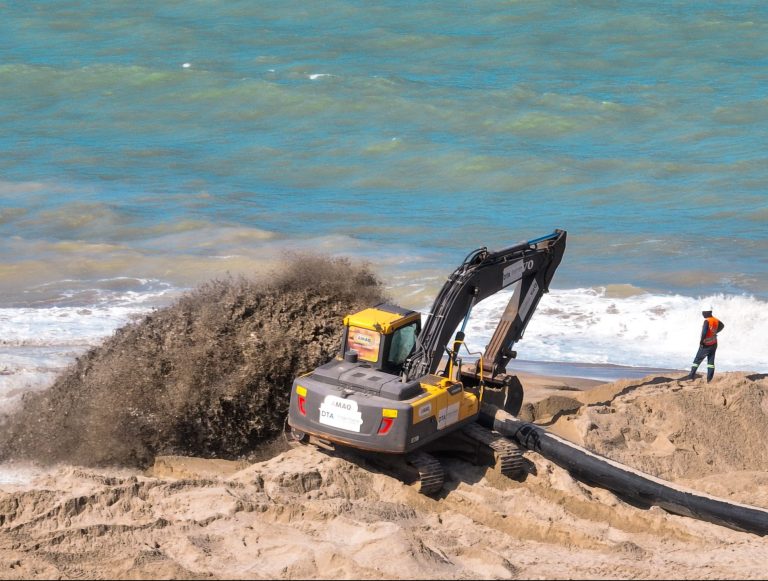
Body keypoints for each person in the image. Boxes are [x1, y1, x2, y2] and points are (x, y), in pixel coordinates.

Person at [686, 305, 725, 382]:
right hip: (714, 343)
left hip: (706, 344)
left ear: (706, 312)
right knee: (710, 362)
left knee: (697, 360)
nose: (702, 314)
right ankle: (709, 379)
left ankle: (691, 376)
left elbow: (704, 333)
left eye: (703, 312)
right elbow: (722, 326)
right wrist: (715, 331)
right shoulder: (715, 320)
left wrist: (701, 342)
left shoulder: (707, 321)